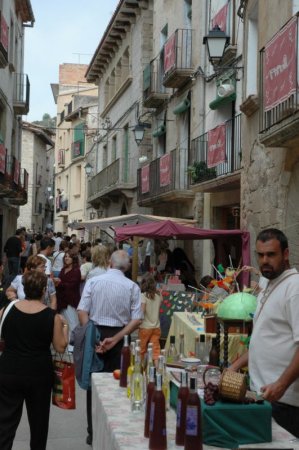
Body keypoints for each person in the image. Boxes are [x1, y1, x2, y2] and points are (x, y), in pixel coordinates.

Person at [230, 228, 299, 438]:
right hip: (261, 396)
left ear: (285, 254)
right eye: (260, 255)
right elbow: (265, 338)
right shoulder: (267, 283)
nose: (265, 260)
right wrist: (234, 366)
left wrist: (280, 385)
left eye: (271, 254)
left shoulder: (294, 288)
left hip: (284, 402)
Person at [78, 250, 143, 445]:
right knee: (119, 384)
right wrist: (116, 339)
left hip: (96, 334)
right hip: (120, 338)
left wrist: (92, 335)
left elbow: (82, 311)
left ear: (109, 263)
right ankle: (117, 430)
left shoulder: (93, 282)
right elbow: (137, 319)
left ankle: (93, 431)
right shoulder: (132, 286)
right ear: (127, 268)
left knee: (94, 384)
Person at [0, 271, 68, 450]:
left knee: (5, 423)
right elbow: (61, 346)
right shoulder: (51, 316)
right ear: (44, 290)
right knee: (39, 425)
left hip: (9, 370)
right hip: (38, 373)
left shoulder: (6, 309)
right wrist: (65, 327)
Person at [56, 251, 81, 335]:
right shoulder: (63, 269)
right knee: (64, 324)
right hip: (61, 300)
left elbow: (72, 285)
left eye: (68, 257)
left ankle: (73, 346)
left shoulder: (76, 271)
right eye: (65, 257)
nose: (66, 258)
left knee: (73, 324)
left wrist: (59, 283)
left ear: (73, 259)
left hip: (71, 301)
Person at [139, 275, 162, 364]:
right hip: (156, 327)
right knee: (155, 350)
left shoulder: (143, 296)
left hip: (145, 327)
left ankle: (141, 368)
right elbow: (160, 303)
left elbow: (142, 310)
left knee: (142, 349)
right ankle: (157, 369)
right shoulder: (158, 296)